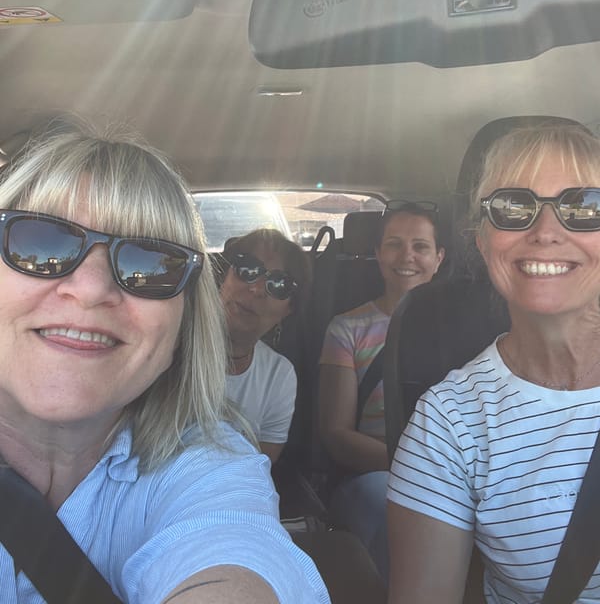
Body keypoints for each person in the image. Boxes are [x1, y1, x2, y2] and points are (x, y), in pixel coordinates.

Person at [0, 119, 330, 604]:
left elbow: (234, 534)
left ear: (182, 326)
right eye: (40, 244)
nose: (90, 290)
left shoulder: (210, 462)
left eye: (150, 264)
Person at [387, 123, 600, 604]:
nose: (546, 232)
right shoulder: (449, 421)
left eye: (584, 207)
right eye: (513, 207)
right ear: (481, 241)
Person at [318, 203, 445, 581]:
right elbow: (336, 435)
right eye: (394, 244)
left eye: (421, 246)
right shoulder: (346, 329)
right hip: (373, 472)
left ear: (439, 258)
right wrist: (417, 468)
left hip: (453, 472)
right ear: (377, 254)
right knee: (395, 504)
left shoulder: (461, 329)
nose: (407, 256)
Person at [220, 229, 312, 465]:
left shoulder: (279, 376)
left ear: (288, 310)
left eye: (279, 284)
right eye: (247, 269)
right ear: (224, 277)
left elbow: (259, 470)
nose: (256, 288)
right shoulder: (168, 346)